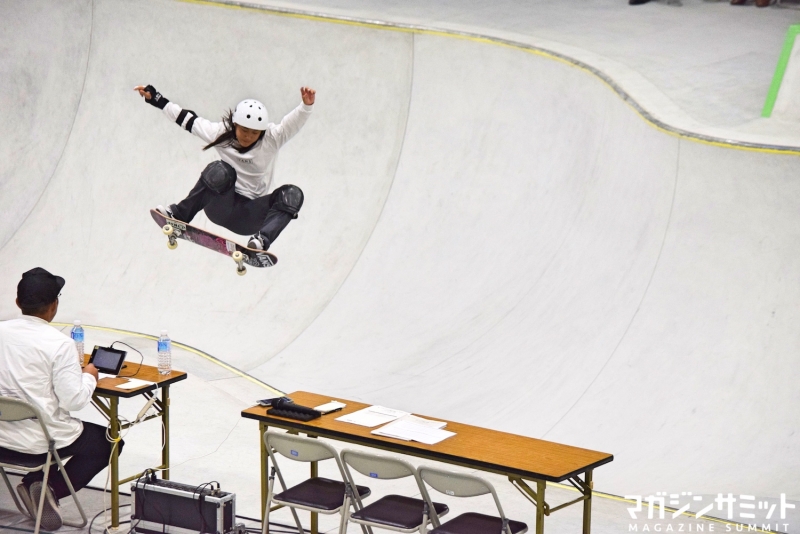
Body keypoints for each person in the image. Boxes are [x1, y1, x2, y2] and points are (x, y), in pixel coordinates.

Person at [0, 268, 118, 531]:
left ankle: (38, 482)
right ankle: (47, 487)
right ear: (54, 305)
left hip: (1, 439)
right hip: (37, 444)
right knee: (108, 441)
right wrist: (89, 376)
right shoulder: (60, 344)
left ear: (17, 302)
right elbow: (74, 401)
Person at [135, 84, 316, 252]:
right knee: (222, 170)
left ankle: (262, 241)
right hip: (219, 206)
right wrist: (157, 99)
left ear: (262, 132)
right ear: (235, 125)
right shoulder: (221, 133)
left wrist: (306, 106)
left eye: (254, 133)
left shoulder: (272, 138)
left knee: (292, 194)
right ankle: (178, 215)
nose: (248, 137)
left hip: (250, 217)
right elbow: (189, 121)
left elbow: (291, 124)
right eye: (244, 130)